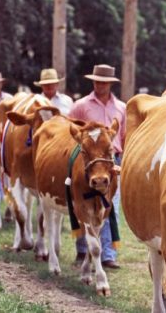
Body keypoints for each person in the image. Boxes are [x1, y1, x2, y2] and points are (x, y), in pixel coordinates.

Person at [69, 64, 126, 269]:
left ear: (110, 83)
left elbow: (124, 135)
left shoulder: (121, 107)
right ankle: (83, 248)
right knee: (83, 206)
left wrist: (122, 160)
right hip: (87, 163)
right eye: (96, 81)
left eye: (103, 81)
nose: (99, 84)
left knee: (110, 207)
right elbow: (72, 131)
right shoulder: (81, 105)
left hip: (112, 161)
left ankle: (108, 255)